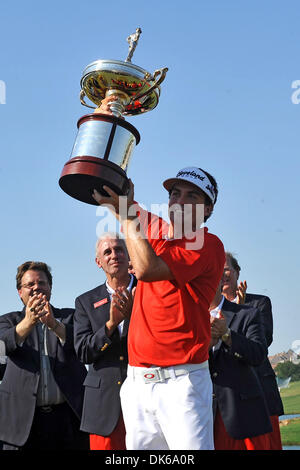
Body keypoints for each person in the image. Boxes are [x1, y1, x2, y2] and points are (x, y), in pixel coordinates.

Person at [93, 98, 225, 449]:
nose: (178, 201)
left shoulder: (207, 245)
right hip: (137, 383)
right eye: (175, 193)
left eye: (191, 196)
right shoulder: (151, 227)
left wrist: (125, 216)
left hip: (182, 385)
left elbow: (149, 269)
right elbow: (104, 186)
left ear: (208, 208)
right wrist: (107, 120)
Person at [0, 261, 89, 450]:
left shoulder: (70, 317)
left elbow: (83, 346)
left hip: (68, 419)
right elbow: (3, 346)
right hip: (22, 424)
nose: (36, 287)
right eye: (29, 284)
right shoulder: (7, 321)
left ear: (50, 287)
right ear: (19, 292)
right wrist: (29, 322)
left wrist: (54, 325)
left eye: (41, 283)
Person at [74, 233, 136, 450]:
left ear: (129, 255)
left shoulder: (150, 291)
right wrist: (110, 325)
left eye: (119, 250)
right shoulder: (85, 302)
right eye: (107, 252)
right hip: (103, 406)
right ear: (98, 262)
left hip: (146, 399)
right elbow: (83, 351)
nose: (114, 255)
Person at [222, 252, 284, 449]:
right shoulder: (209, 309)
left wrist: (239, 311)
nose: (222, 275)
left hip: (259, 392)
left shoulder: (259, 304)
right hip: (226, 396)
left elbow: (262, 343)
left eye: (226, 269)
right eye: (217, 270)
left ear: (237, 273)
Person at [209, 280, 273, 450]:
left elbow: (258, 355)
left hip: (243, 418)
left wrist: (227, 335)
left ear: (217, 278)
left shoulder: (247, 314)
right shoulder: (185, 318)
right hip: (200, 417)